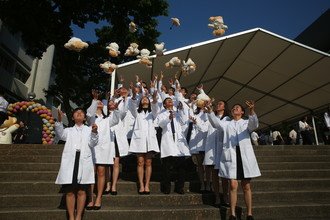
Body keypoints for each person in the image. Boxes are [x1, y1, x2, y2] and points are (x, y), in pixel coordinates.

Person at [207, 101, 261, 220]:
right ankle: (232, 213)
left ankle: (249, 213)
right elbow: (216, 124)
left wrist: (251, 110)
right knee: (232, 184)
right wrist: (210, 111)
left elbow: (254, 124)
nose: (235, 108)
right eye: (233, 108)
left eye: (237, 107)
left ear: (242, 112)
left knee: (246, 186)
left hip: (244, 156)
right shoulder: (226, 124)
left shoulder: (246, 123)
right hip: (231, 156)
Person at [55, 108, 98, 220]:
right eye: (76, 113)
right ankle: (71, 217)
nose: (79, 113)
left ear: (84, 118)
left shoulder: (89, 129)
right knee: (69, 191)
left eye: (81, 113)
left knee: (82, 191)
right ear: (73, 117)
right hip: (71, 161)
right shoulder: (68, 130)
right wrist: (59, 121)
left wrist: (94, 132)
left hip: (84, 161)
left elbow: (93, 143)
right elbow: (60, 135)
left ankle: (78, 216)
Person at [85, 90, 121, 210]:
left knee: (101, 173)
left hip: (103, 150)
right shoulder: (91, 118)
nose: (99, 102)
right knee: (91, 174)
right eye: (97, 102)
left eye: (100, 101)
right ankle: (90, 198)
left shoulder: (107, 119)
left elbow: (116, 119)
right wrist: (94, 100)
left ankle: (99, 197)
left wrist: (115, 109)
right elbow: (89, 113)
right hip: (91, 149)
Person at [156, 97, 191, 194]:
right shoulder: (161, 114)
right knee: (166, 166)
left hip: (179, 141)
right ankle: (166, 187)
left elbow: (184, 121)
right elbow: (161, 125)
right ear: (164, 105)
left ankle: (180, 187)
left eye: (171, 100)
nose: (170, 101)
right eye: (167, 101)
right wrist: (169, 118)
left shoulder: (178, 113)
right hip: (168, 140)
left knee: (182, 166)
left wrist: (182, 109)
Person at [129, 91, 160, 194]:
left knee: (149, 162)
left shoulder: (152, 113)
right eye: (143, 98)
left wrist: (154, 99)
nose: (145, 99)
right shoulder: (137, 112)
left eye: (147, 98)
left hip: (150, 140)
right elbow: (132, 105)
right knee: (140, 162)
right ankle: (141, 185)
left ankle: (147, 185)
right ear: (140, 102)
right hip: (139, 140)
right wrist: (133, 95)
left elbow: (155, 109)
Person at [204, 100, 230, 206]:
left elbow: (217, 125)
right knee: (214, 175)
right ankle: (217, 197)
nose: (218, 105)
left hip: (221, 149)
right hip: (212, 149)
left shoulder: (227, 119)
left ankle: (225, 195)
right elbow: (211, 122)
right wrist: (209, 110)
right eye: (217, 104)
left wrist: (210, 112)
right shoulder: (212, 116)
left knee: (223, 175)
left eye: (220, 104)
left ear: (224, 107)